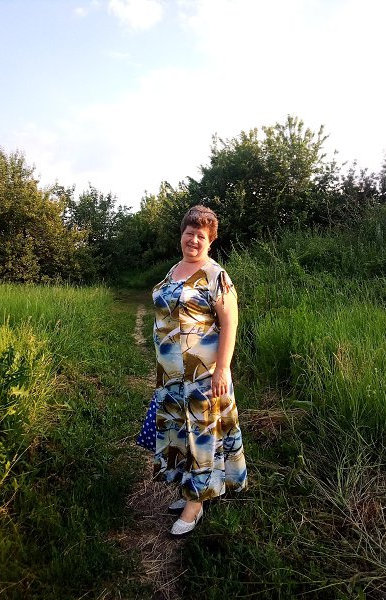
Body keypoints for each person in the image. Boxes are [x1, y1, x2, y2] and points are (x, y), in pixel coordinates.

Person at [151, 205, 247, 537]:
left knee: (201, 435)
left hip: (203, 375)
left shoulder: (216, 275)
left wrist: (223, 369)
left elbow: (230, 323)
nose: (193, 240)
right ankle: (189, 488)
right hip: (171, 376)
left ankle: (195, 505)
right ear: (182, 235)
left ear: (210, 241)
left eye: (201, 236)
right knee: (181, 432)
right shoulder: (174, 270)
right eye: (189, 233)